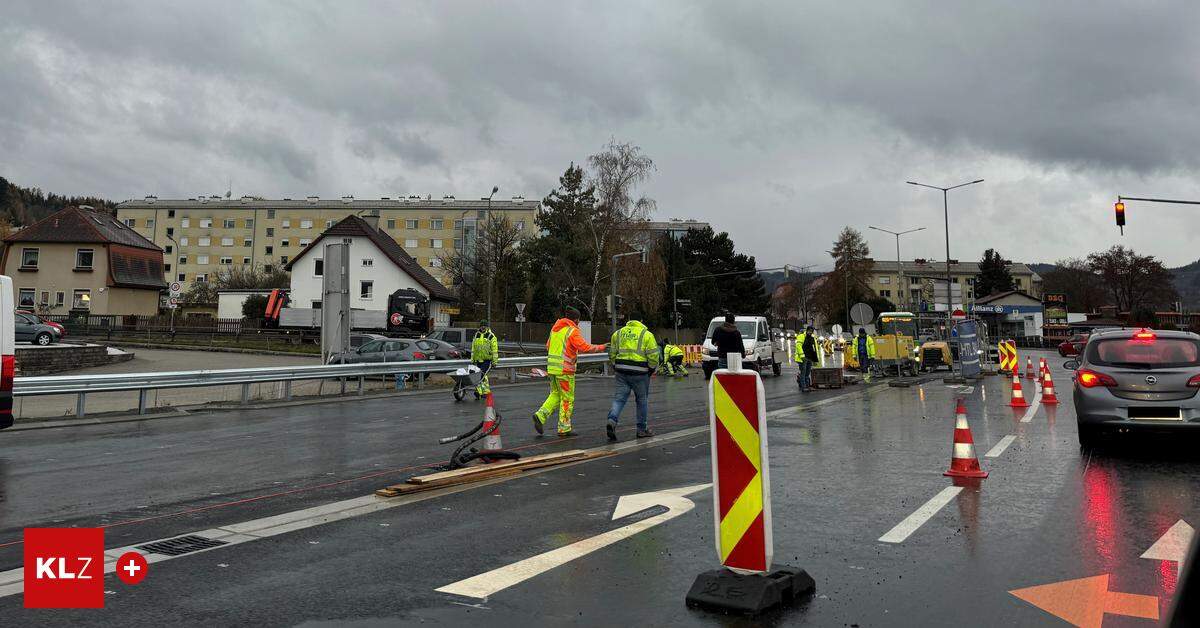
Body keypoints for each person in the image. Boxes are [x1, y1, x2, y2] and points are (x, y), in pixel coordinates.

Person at [533, 306, 606, 437]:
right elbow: (584, 347)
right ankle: (564, 428)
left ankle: (540, 415)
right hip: (565, 370)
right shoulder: (572, 331)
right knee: (567, 399)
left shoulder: (555, 329)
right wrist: (601, 347)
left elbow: (548, 346)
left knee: (555, 394)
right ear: (576, 319)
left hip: (552, 368)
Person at [606, 319, 659, 441]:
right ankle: (641, 430)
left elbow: (612, 353)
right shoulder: (647, 335)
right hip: (640, 372)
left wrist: (615, 365)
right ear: (641, 321)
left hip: (621, 370)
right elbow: (653, 356)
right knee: (641, 400)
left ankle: (611, 420)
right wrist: (650, 369)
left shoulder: (618, 333)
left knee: (619, 399)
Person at [470, 321, 498, 398]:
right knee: (480, 376)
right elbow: (473, 348)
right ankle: (483, 392)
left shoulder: (491, 336)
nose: (483, 327)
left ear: (487, 327)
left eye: (484, 326)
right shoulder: (476, 335)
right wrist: (472, 359)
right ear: (480, 326)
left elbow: (494, 350)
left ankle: (480, 391)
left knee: (481, 375)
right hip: (478, 359)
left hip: (487, 360)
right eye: (482, 326)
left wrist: (495, 361)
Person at [795, 324, 819, 392]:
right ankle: (804, 387)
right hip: (803, 358)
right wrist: (802, 356)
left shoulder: (812, 337)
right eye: (809, 331)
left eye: (812, 331)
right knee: (803, 372)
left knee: (807, 373)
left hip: (809, 358)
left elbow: (814, 348)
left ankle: (807, 386)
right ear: (807, 330)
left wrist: (815, 359)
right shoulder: (801, 336)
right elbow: (798, 346)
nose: (810, 332)